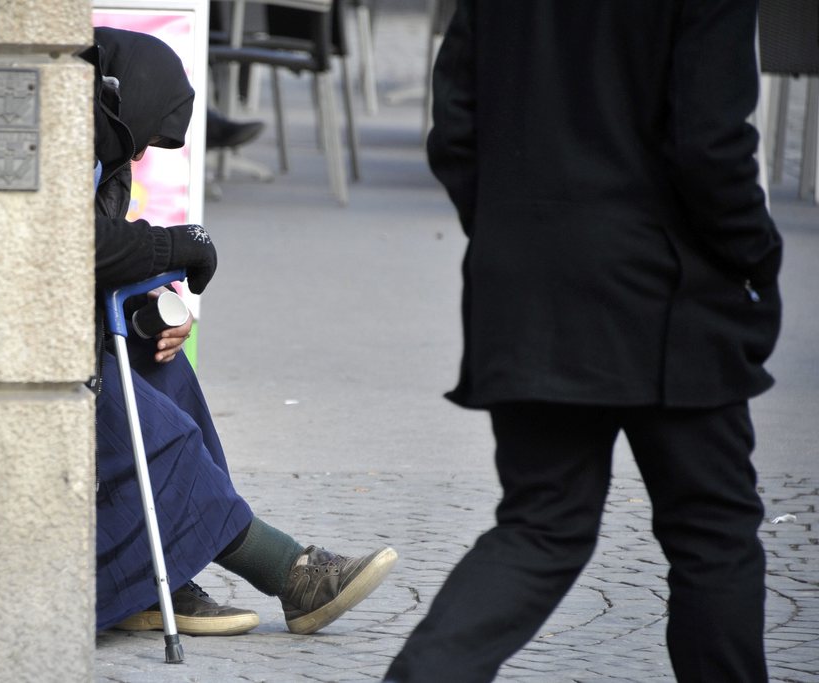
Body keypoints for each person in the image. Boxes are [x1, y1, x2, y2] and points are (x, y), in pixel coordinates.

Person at [384, 2, 782, 681]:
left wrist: (518, 232)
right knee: (711, 530)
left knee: (543, 523)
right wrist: (755, 254)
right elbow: (710, 144)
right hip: (667, 287)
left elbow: (454, 128)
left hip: (531, 280)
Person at [80, 27, 397, 638]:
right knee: (163, 436)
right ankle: (292, 573)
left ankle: (160, 576)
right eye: (145, 139)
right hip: (26, 349)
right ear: (129, 102)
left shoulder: (101, 148)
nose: (143, 155)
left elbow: (89, 251)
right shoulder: (62, 134)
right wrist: (176, 244)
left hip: (64, 328)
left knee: (166, 370)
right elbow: (65, 243)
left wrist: (154, 297)